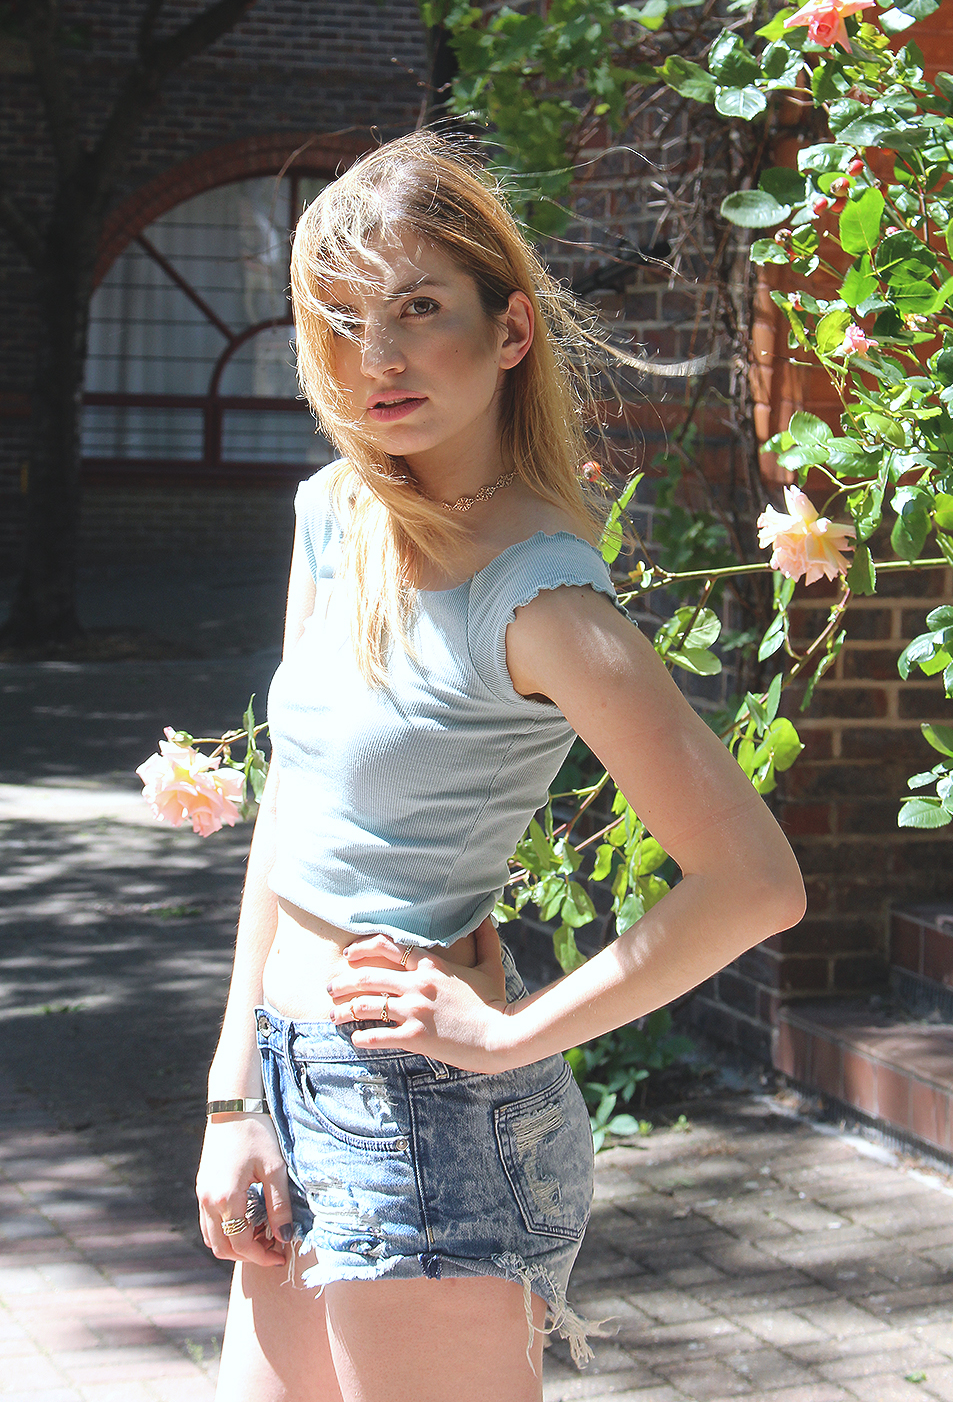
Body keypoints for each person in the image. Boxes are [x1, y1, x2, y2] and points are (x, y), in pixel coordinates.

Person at [196, 130, 806, 1402]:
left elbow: (754, 880)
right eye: (343, 320)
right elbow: (293, 808)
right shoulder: (335, 514)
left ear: (510, 329)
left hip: (419, 1114)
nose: (379, 355)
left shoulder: (540, 601)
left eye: (419, 308)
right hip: (291, 1077)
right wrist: (230, 1097)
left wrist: (511, 1033)